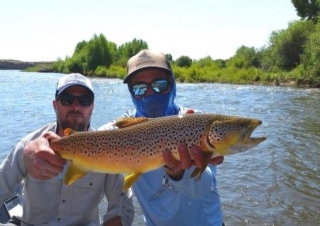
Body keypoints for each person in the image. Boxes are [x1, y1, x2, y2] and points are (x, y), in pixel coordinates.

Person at [99, 50, 224, 225]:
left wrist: (180, 172)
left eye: (159, 84)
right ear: (131, 93)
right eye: (140, 88)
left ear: (173, 85)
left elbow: (202, 189)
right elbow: (95, 138)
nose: (150, 94)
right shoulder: (126, 128)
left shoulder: (194, 123)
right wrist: (51, 142)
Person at [0, 73, 134, 226]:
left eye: (85, 101)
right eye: (67, 99)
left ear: (92, 108)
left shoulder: (109, 150)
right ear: (55, 105)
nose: (76, 107)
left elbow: (122, 207)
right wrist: (26, 156)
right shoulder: (29, 147)